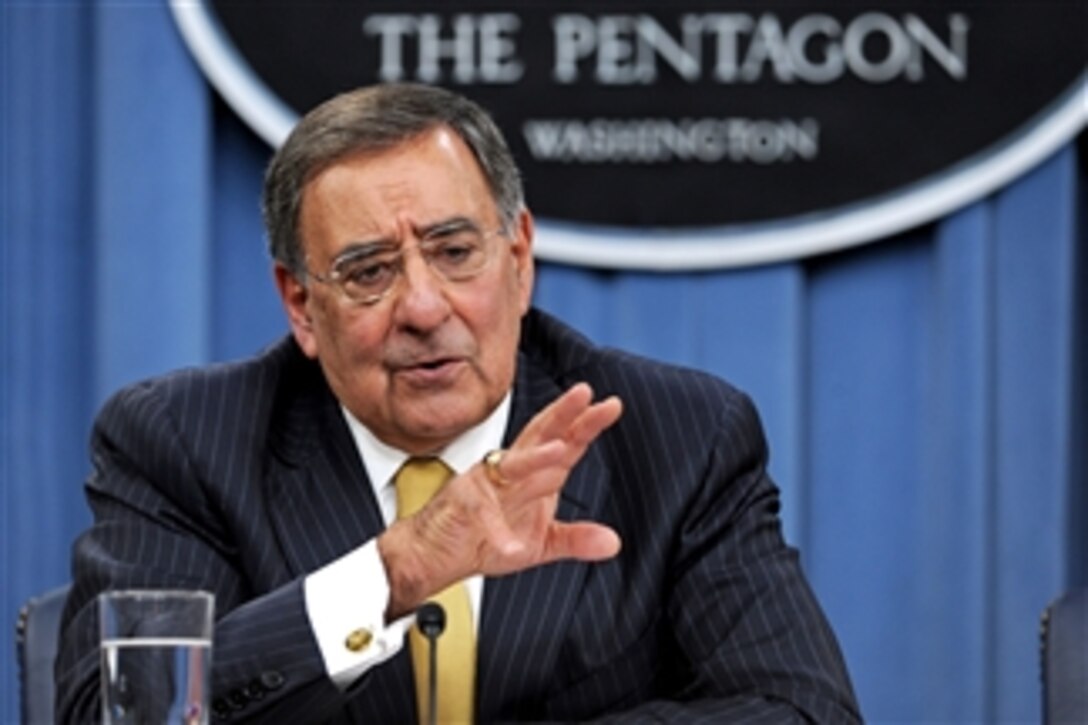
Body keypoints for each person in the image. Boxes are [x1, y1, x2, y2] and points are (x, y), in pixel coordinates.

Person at [56, 82, 860, 723]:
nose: (425, 306)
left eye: (454, 252)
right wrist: (393, 572)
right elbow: (114, 713)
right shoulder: (183, 443)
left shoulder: (677, 435)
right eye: (370, 270)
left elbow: (801, 707)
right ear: (302, 305)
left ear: (519, 259)